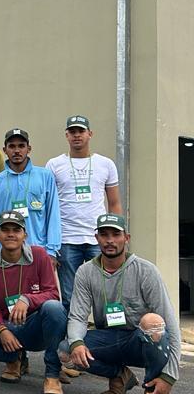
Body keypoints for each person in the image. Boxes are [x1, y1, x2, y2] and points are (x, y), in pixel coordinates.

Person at [63, 214, 181, 394]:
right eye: (104, 234)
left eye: (116, 234)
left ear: (126, 238)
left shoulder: (146, 271)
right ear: (96, 238)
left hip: (140, 341)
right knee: (65, 350)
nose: (110, 240)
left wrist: (169, 375)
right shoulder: (85, 272)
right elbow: (77, 317)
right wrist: (77, 343)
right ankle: (119, 376)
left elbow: (170, 323)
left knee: (153, 322)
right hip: (109, 339)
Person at [0, 210, 67, 394]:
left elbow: (53, 293)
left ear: (24, 235)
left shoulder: (39, 255)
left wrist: (27, 299)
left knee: (54, 308)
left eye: (16, 230)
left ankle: (52, 373)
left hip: (37, 326)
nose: (11, 234)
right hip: (9, 326)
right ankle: (15, 358)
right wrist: (2, 330)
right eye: (5, 230)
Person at [45, 115, 121, 310]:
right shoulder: (54, 165)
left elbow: (114, 203)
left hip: (99, 239)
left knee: (106, 294)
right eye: (72, 132)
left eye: (81, 131)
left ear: (90, 134)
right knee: (70, 297)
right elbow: (48, 206)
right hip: (67, 239)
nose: (77, 135)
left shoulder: (105, 164)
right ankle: (73, 338)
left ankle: (106, 336)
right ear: (66, 135)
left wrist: (118, 236)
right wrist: (50, 243)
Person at [0, 129, 61, 266]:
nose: (17, 151)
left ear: (29, 148)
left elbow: (53, 214)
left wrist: (51, 251)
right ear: (5, 149)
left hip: (39, 250)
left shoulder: (45, 176)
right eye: (12, 146)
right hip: (7, 253)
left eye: (21, 146)